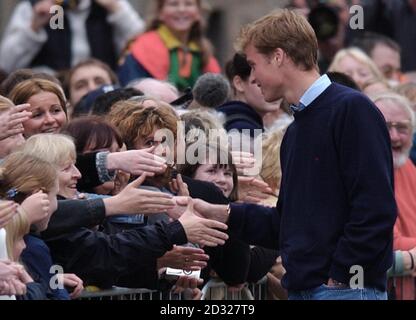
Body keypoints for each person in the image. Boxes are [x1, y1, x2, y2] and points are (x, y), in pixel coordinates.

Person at [187, 9, 397, 300]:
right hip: (308, 288)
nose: (254, 76)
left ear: (277, 56)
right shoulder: (296, 130)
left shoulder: (351, 109)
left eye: (253, 64)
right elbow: (286, 224)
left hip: (342, 290)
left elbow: (375, 208)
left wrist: (342, 276)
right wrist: (225, 213)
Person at [0, 0, 144, 73]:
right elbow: (6, 64)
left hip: (100, 91)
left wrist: (116, 9)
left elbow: (143, 49)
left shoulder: (109, 6)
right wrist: (34, 26)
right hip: (51, 93)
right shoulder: (33, 7)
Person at [117, 0, 221, 90]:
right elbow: (132, 94)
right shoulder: (140, 49)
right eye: (173, 4)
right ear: (160, 13)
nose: (181, 9)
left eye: (188, 4)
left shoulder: (203, 51)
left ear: (198, 12)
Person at [372, 92, 416, 299]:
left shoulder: (407, 165)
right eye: (386, 126)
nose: (394, 136)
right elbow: (389, 243)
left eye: (402, 128)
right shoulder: (366, 172)